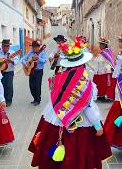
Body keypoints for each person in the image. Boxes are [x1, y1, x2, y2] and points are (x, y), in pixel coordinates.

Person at [28, 40, 112, 169]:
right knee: (77, 151)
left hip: (56, 117)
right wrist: (97, 125)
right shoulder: (84, 82)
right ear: (83, 63)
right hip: (78, 123)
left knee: (54, 146)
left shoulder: (59, 77)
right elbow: (88, 106)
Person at [0, 39, 19, 107]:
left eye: (7, 46)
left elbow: (16, 61)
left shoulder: (12, 53)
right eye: (4, 46)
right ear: (2, 46)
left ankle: (9, 100)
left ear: (9, 47)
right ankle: (2, 100)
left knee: (9, 86)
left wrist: (11, 61)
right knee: (1, 86)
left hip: (9, 72)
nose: (6, 47)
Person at [89, 37, 117, 101]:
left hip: (105, 71)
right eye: (100, 44)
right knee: (100, 83)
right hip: (101, 70)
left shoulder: (105, 52)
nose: (99, 46)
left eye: (101, 44)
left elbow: (108, 62)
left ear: (104, 45)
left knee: (105, 84)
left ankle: (105, 95)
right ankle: (100, 95)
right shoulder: (104, 52)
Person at [22, 40, 47, 106]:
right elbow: (23, 59)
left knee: (37, 86)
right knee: (31, 86)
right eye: (34, 47)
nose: (35, 48)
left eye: (36, 47)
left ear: (39, 47)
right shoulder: (30, 53)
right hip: (31, 71)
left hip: (38, 71)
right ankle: (34, 98)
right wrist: (26, 64)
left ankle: (37, 100)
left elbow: (45, 61)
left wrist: (38, 58)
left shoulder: (42, 53)